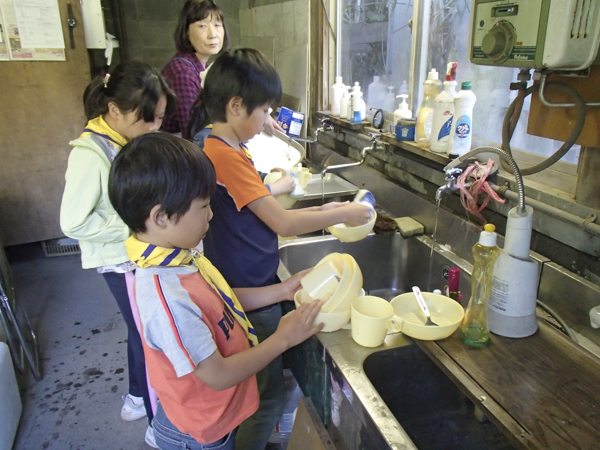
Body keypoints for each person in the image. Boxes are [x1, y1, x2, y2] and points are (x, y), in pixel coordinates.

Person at [188, 48, 373, 450]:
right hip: (248, 290)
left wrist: (329, 208)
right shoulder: (225, 154)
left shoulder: (221, 145)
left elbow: (259, 206)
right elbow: (284, 222)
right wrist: (341, 216)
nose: (268, 119)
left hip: (244, 280)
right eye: (265, 109)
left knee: (257, 393)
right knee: (265, 397)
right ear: (236, 106)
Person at [107, 132, 323, 450]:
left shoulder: (176, 256)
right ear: (161, 217)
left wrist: (282, 291)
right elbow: (218, 375)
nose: (210, 215)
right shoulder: (166, 297)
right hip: (199, 435)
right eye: (203, 207)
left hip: (217, 414)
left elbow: (218, 301)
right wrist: (283, 338)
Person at [60, 61, 176, 448]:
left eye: (159, 119)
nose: (154, 128)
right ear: (114, 111)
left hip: (132, 254)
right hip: (118, 259)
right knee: (149, 337)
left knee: (139, 330)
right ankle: (157, 425)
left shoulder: (120, 140)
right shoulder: (89, 153)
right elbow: (72, 222)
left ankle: (137, 397)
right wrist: (129, 225)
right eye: (148, 120)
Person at [160, 0, 229, 135]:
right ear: (186, 32)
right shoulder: (183, 72)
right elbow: (193, 131)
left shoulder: (204, 67)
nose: (213, 34)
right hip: (179, 147)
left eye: (217, 25)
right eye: (202, 26)